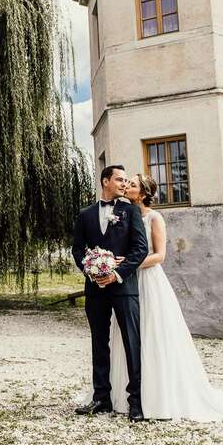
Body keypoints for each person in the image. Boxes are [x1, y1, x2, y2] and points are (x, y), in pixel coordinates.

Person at [104, 174, 223, 421]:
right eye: (127, 183)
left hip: (148, 280)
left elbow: (159, 256)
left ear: (144, 194)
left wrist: (130, 264)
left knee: (152, 333)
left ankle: (158, 394)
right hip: (127, 280)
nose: (127, 186)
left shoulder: (154, 218)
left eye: (133, 185)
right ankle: (125, 393)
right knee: (127, 333)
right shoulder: (122, 214)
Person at [71, 165, 149, 422]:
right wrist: (91, 271)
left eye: (127, 181)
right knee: (99, 343)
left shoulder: (131, 211)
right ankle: (101, 398)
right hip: (95, 289)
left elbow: (140, 249)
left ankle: (135, 401)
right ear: (106, 181)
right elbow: (78, 250)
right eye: (119, 179)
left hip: (124, 287)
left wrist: (117, 273)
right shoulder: (85, 214)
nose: (124, 184)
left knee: (131, 342)